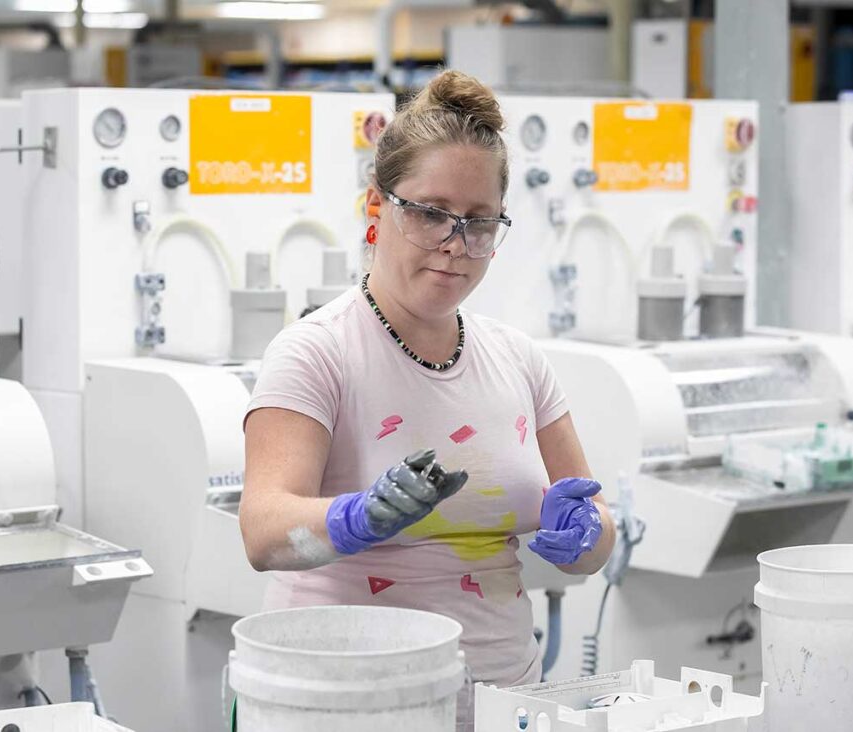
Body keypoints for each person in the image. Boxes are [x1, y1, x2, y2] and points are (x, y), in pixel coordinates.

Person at [239, 69, 616, 729]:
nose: (454, 245)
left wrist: (588, 535)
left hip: (504, 702)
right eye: (431, 214)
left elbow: (595, 527)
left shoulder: (519, 360)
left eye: (478, 223)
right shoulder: (316, 352)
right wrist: (359, 518)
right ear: (377, 210)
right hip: (349, 704)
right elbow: (264, 531)